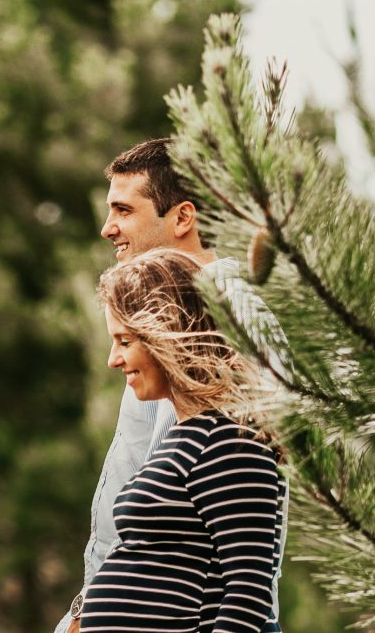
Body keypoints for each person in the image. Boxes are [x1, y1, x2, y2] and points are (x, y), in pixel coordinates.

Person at [54, 139, 288, 633]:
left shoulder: (231, 320)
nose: (107, 227)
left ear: (182, 218)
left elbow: (239, 508)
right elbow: (137, 489)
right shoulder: (159, 329)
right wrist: (85, 609)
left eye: (123, 209)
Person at [80, 247, 285, 631]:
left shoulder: (230, 443)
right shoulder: (186, 437)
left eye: (125, 342)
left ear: (169, 336)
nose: (113, 359)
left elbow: (248, 594)